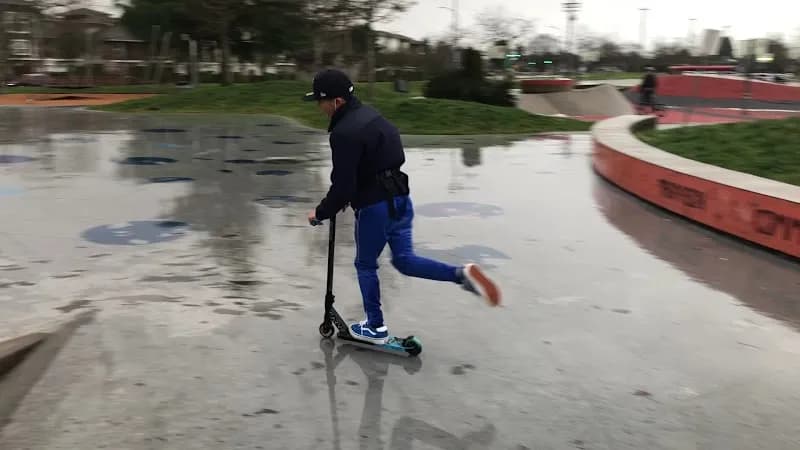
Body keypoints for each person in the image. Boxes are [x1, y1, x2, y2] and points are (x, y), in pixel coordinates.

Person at [304, 69, 501, 344]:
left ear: (336, 101)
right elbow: (388, 156)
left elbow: (343, 186)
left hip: (374, 209)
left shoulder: (343, 132)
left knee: (365, 265)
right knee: (404, 260)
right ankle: (461, 274)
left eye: (321, 101)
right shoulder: (373, 117)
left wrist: (321, 212)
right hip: (400, 200)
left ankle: (375, 326)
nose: (319, 106)